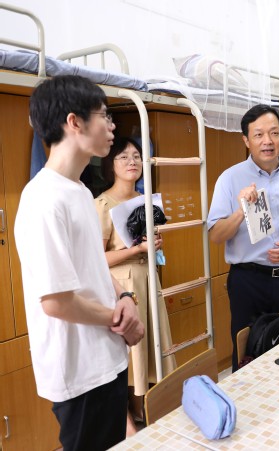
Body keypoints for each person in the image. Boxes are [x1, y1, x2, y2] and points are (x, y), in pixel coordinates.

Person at [14, 75, 144, 450]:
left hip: (105, 356)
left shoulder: (80, 191)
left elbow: (94, 267)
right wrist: (121, 320)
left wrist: (124, 297)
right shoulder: (43, 200)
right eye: (104, 115)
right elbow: (56, 302)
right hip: (79, 369)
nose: (112, 126)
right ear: (75, 122)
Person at [207, 104, 279, 370]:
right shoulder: (229, 178)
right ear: (246, 140)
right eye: (258, 135)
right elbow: (216, 235)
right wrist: (241, 210)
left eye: (274, 133)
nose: (267, 141)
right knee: (246, 352)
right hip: (248, 281)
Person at [95, 137, 176, 435]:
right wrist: (137, 249)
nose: (132, 161)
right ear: (110, 165)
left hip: (147, 276)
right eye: (123, 157)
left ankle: (149, 409)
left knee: (152, 346)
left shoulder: (146, 199)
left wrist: (153, 245)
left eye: (137, 156)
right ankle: (130, 416)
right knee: (132, 353)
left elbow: (148, 245)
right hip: (123, 284)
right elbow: (97, 259)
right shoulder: (102, 204)